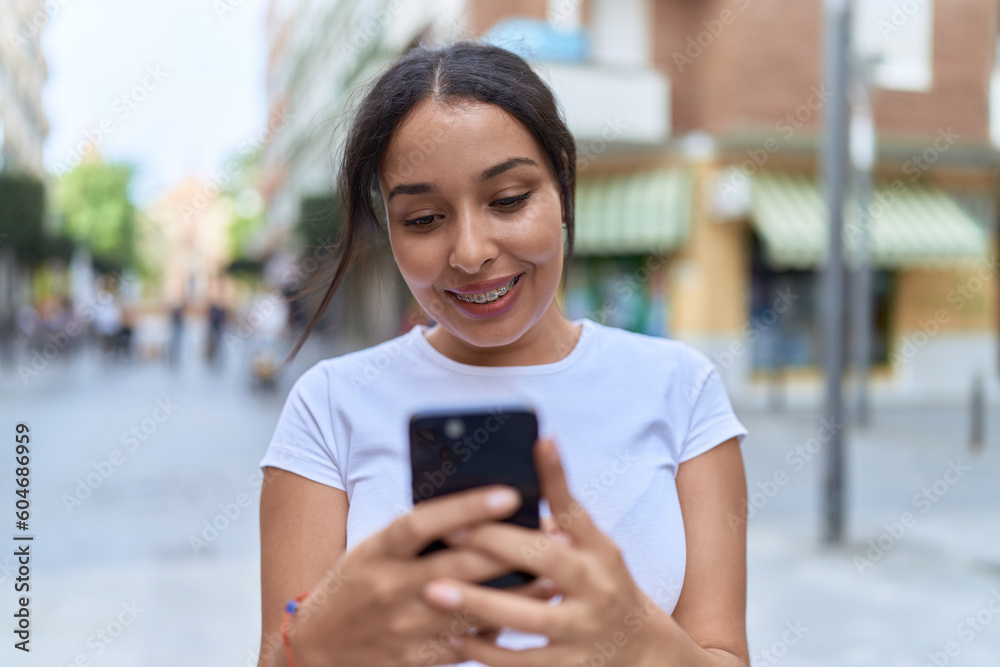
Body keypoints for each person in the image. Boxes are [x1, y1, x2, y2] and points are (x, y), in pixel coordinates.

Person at [258, 41, 749, 667]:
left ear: (563, 187)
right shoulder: (328, 406)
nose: (469, 251)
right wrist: (315, 647)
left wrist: (637, 643)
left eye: (509, 200)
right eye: (424, 218)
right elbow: (280, 654)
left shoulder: (682, 388)